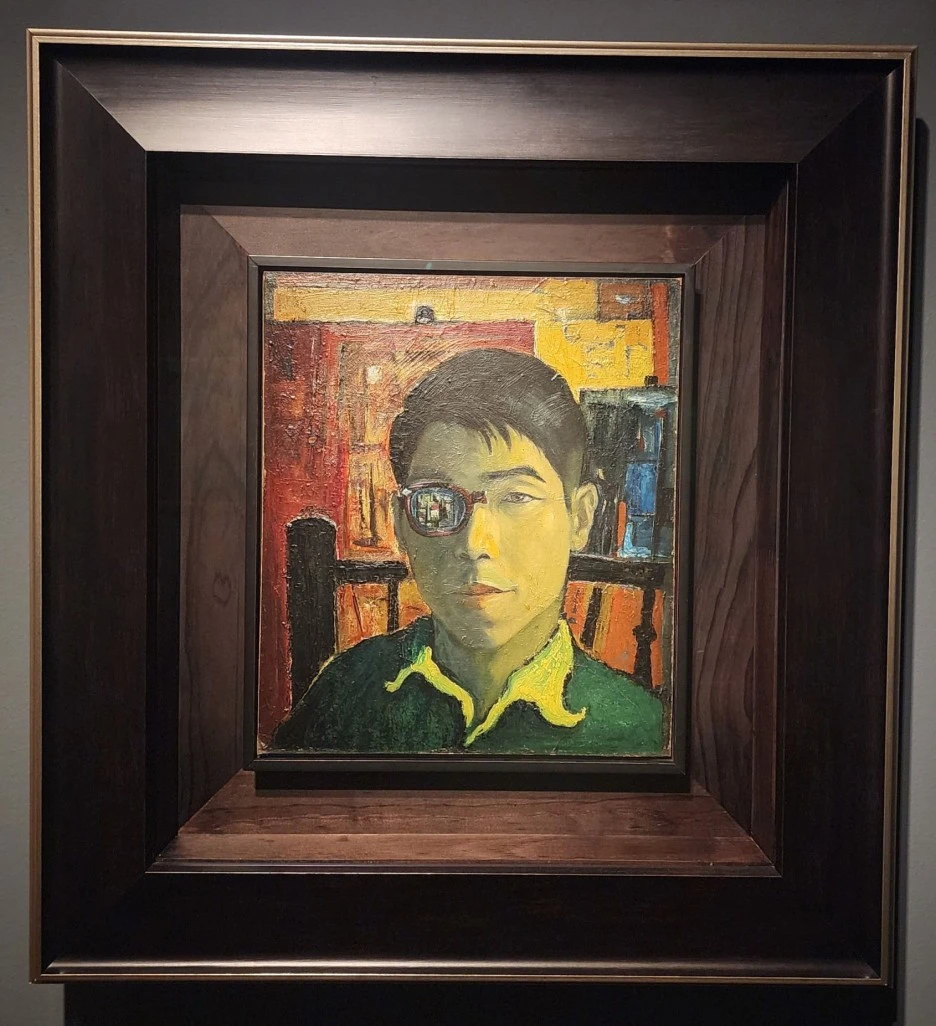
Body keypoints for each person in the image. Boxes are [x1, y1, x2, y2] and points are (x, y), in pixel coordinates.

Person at [271, 348, 663, 756]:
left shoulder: (641, 729)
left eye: (517, 496)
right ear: (401, 523)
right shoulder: (346, 689)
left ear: (580, 518)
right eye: (435, 501)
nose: (475, 544)